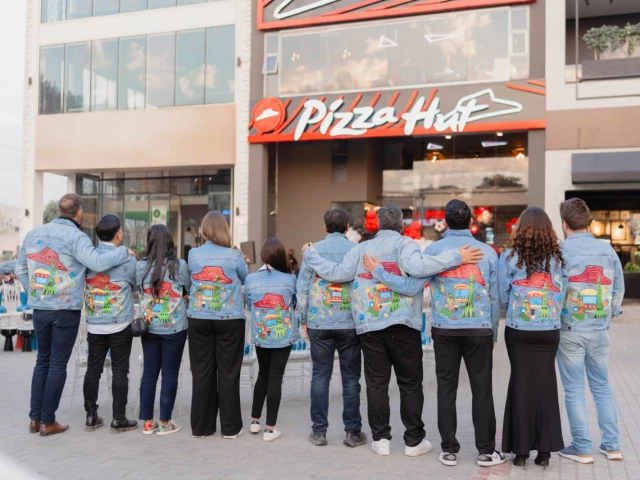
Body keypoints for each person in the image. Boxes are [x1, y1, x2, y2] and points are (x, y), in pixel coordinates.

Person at [302, 204, 483, 457]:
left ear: (377, 224)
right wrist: (456, 257)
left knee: (376, 384)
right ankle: (413, 441)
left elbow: (337, 273)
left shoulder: (361, 249)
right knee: (410, 383)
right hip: (403, 325)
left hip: (370, 326)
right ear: (401, 225)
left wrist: (310, 255)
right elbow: (420, 268)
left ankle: (381, 439)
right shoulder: (406, 245)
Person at [366, 199, 505, 467]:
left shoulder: (432, 251)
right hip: (479, 329)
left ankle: (449, 450)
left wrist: (379, 272)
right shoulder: (488, 252)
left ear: (445, 222)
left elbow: (411, 287)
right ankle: (486, 451)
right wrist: (494, 333)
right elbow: (495, 297)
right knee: (483, 390)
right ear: (471, 221)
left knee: (446, 389)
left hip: (444, 330)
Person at [16, 194, 132, 436]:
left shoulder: (33, 233)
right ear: (79, 213)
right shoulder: (77, 237)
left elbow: (20, 270)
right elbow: (96, 263)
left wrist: (36, 294)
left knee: (42, 361)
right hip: (65, 309)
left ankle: (35, 419)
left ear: (60, 210)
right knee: (58, 363)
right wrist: (123, 252)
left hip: (40, 309)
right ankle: (47, 421)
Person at [556, 198, 624, 463]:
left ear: (564, 223)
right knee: (602, 386)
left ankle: (582, 447)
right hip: (599, 328)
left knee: (574, 389)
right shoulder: (607, 250)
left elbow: (556, 289)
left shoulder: (560, 251)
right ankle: (612, 445)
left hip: (569, 329)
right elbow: (618, 289)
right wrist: (609, 313)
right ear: (588, 221)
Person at [498, 206, 567, 467]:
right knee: (546, 386)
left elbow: (503, 295)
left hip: (519, 330)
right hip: (549, 331)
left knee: (520, 383)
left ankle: (521, 452)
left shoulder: (509, 256)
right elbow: (562, 292)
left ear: (521, 229)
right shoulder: (558, 258)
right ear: (549, 230)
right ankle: (545, 452)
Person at [297, 209, 366, 448]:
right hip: (350, 323)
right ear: (347, 227)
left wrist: (304, 319)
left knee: (320, 376)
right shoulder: (357, 251)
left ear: (325, 227)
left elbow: (302, 288)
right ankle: (353, 432)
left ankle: (319, 432)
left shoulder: (312, 251)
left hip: (319, 322)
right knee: (351, 378)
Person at [187, 211, 248, 438]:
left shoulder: (193, 254)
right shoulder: (234, 255)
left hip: (199, 318)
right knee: (228, 373)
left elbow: (189, 280)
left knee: (201, 372)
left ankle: (202, 427)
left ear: (203, 230)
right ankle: (230, 428)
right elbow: (246, 278)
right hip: (230, 319)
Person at [83, 215, 138, 433]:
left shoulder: (88, 257)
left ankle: (91, 415)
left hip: (95, 323)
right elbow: (134, 285)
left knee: (93, 369)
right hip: (120, 323)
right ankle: (119, 418)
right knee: (120, 370)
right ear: (118, 234)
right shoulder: (128, 260)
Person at [137, 224, 191, 436]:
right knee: (169, 373)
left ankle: (147, 422)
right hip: (175, 327)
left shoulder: (140, 266)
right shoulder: (180, 265)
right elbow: (187, 289)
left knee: (149, 372)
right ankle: (165, 422)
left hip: (149, 326)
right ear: (170, 242)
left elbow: (140, 290)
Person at [245, 238, 299, 442]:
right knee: (276, 377)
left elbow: (249, 304)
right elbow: (294, 303)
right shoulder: (290, 279)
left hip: (261, 334)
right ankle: (270, 428)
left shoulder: (251, 279)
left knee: (263, 373)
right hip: (283, 336)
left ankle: (255, 421)